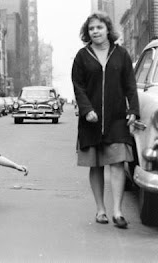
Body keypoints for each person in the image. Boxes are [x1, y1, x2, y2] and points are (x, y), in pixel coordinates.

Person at [71, 12, 139, 229]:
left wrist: (133, 111)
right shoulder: (82, 56)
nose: (95, 32)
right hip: (91, 120)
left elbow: (130, 85)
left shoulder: (121, 55)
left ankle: (118, 212)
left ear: (108, 29)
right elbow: (78, 86)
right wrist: (86, 109)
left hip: (116, 118)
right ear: (87, 32)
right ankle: (101, 209)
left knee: (118, 163)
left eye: (99, 27)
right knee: (96, 165)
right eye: (91, 29)